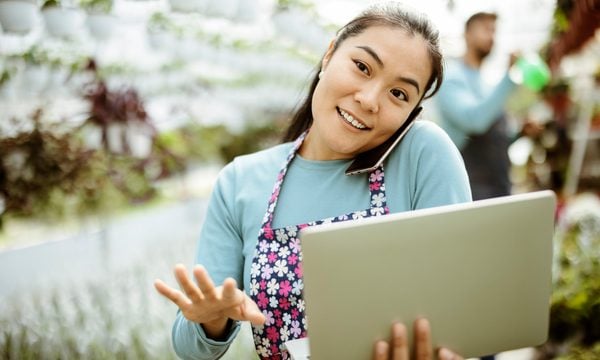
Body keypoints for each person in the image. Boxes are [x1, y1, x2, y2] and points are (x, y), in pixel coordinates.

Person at [154, 2, 471, 359]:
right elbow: (190, 350)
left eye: (398, 94)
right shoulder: (240, 182)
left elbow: (462, 318)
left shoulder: (423, 155)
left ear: (411, 113)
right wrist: (211, 319)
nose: (369, 100)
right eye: (362, 67)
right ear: (329, 54)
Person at [435, 11, 518, 201]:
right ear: (467, 34)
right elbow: (475, 121)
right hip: (473, 189)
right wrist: (510, 76)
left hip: (500, 186)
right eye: (486, 29)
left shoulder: (485, 83)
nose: (492, 36)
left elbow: (495, 138)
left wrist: (520, 132)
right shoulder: (451, 78)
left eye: (494, 31)